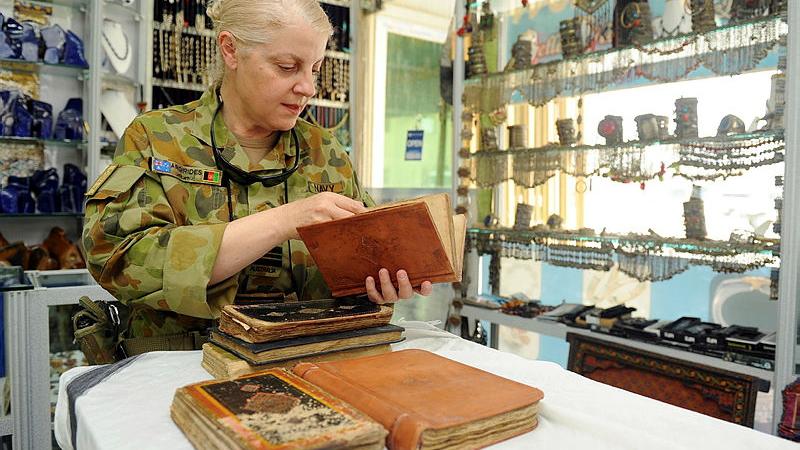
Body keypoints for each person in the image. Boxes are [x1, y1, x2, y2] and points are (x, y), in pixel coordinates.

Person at [81, 0, 432, 354]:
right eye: (287, 67)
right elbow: (119, 260)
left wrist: (376, 286)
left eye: (315, 68)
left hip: (307, 362)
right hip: (179, 368)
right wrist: (283, 221)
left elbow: (358, 265)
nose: (308, 87)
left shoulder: (326, 153)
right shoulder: (156, 138)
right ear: (230, 50)